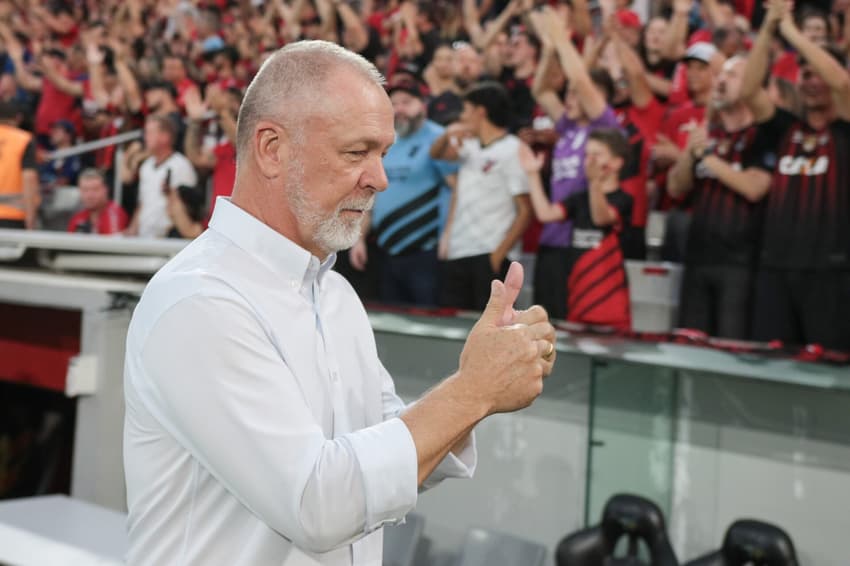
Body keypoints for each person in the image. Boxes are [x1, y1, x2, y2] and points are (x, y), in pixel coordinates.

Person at [123, 40, 556, 566]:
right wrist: (474, 391)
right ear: (272, 148)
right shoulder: (199, 301)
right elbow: (318, 503)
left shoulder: (334, 293)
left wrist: (486, 375)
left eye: (383, 153)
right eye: (357, 152)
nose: (380, 178)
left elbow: (391, 450)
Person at [741, 0, 850, 350]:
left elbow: (842, 82)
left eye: (817, 72)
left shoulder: (845, 130)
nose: (812, 80)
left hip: (831, 274)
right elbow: (748, 91)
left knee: (827, 373)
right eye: (804, 73)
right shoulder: (785, 128)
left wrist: (789, 30)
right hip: (774, 270)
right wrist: (769, 26)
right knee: (771, 370)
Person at [667, 56, 774, 339]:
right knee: (690, 345)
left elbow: (754, 188)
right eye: (721, 74)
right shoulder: (707, 136)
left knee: (731, 347)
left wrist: (708, 159)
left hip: (739, 265)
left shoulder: (762, 136)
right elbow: (676, 188)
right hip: (697, 259)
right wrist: (689, 156)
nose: (722, 81)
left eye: (733, 75)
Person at [530, 7, 621, 320]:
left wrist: (562, 39)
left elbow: (581, 79)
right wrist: (550, 48)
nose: (569, 97)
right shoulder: (568, 127)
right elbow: (541, 89)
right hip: (551, 237)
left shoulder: (605, 127)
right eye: (567, 93)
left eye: (575, 93)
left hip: (581, 240)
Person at [349, 75, 457, 307]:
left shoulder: (438, 138)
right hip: (387, 250)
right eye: (394, 103)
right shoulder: (385, 142)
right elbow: (372, 194)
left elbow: (456, 189)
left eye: (406, 102)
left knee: (427, 324)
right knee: (395, 322)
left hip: (426, 252)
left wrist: (449, 236)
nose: (399, 109)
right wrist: (359, 239)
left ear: (422, 105)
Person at [430, 81, 532, 311]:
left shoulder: (513, 149)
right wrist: (448, 134)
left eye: (465, 110)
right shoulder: (470, 146)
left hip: (489, 252)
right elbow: (436, 154)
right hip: (458, 250)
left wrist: (498, 255)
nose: (462, 117)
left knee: (489, 330)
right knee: (452, 328)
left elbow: (525, 210)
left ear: (480, 111)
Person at [524, 128, 633, 329]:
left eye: (597, 155)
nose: (589, 160)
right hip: (579, 296)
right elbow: (545, 214)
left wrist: (594, 183)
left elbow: (601, 218)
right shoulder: (579, 198)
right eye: (586, 155)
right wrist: (532, 174)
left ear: (617, 163)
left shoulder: (623, 199)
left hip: (609, 301)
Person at [124, 115, 198, 238]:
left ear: (165, 137)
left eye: (150, 133)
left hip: (169, 238)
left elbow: (189, 207)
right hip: (144, 237)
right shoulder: (145, 166)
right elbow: (142, 203)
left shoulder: (181, 165)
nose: (145, 137)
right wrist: (132, 229)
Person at [0, 101, 39, 229]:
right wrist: (31, 218)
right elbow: (29, 178)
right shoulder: (23, 139)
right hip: (12, 216)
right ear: (18, 118)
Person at [67, 168, 127, 234]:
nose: (89, 195)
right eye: (85, 190)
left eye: (95, 189)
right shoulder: (78, 219)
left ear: (105, 190)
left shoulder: (114, 214)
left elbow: (113, 243)